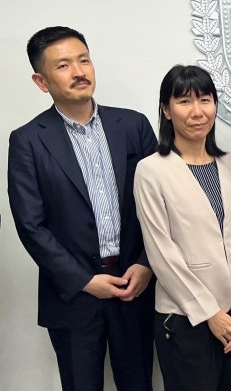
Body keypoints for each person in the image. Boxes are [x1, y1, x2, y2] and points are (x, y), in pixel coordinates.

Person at [7, 26, 156, 391]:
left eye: (84, 60)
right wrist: (85, 280)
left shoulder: (133, 125)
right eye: (63, 65)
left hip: (134, 285)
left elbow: (161, 206)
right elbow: (31, 225)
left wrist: (146, 264)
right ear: (41, 81)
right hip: (72, 295)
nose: (79, 71)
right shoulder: (27, 140)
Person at [133, 65, 231, 391]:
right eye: (184, 102)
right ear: (166, 109)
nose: (197, 112)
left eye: (205, 100)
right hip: (185, 318)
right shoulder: (151, 170)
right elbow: (161, 253)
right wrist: (209, 313)